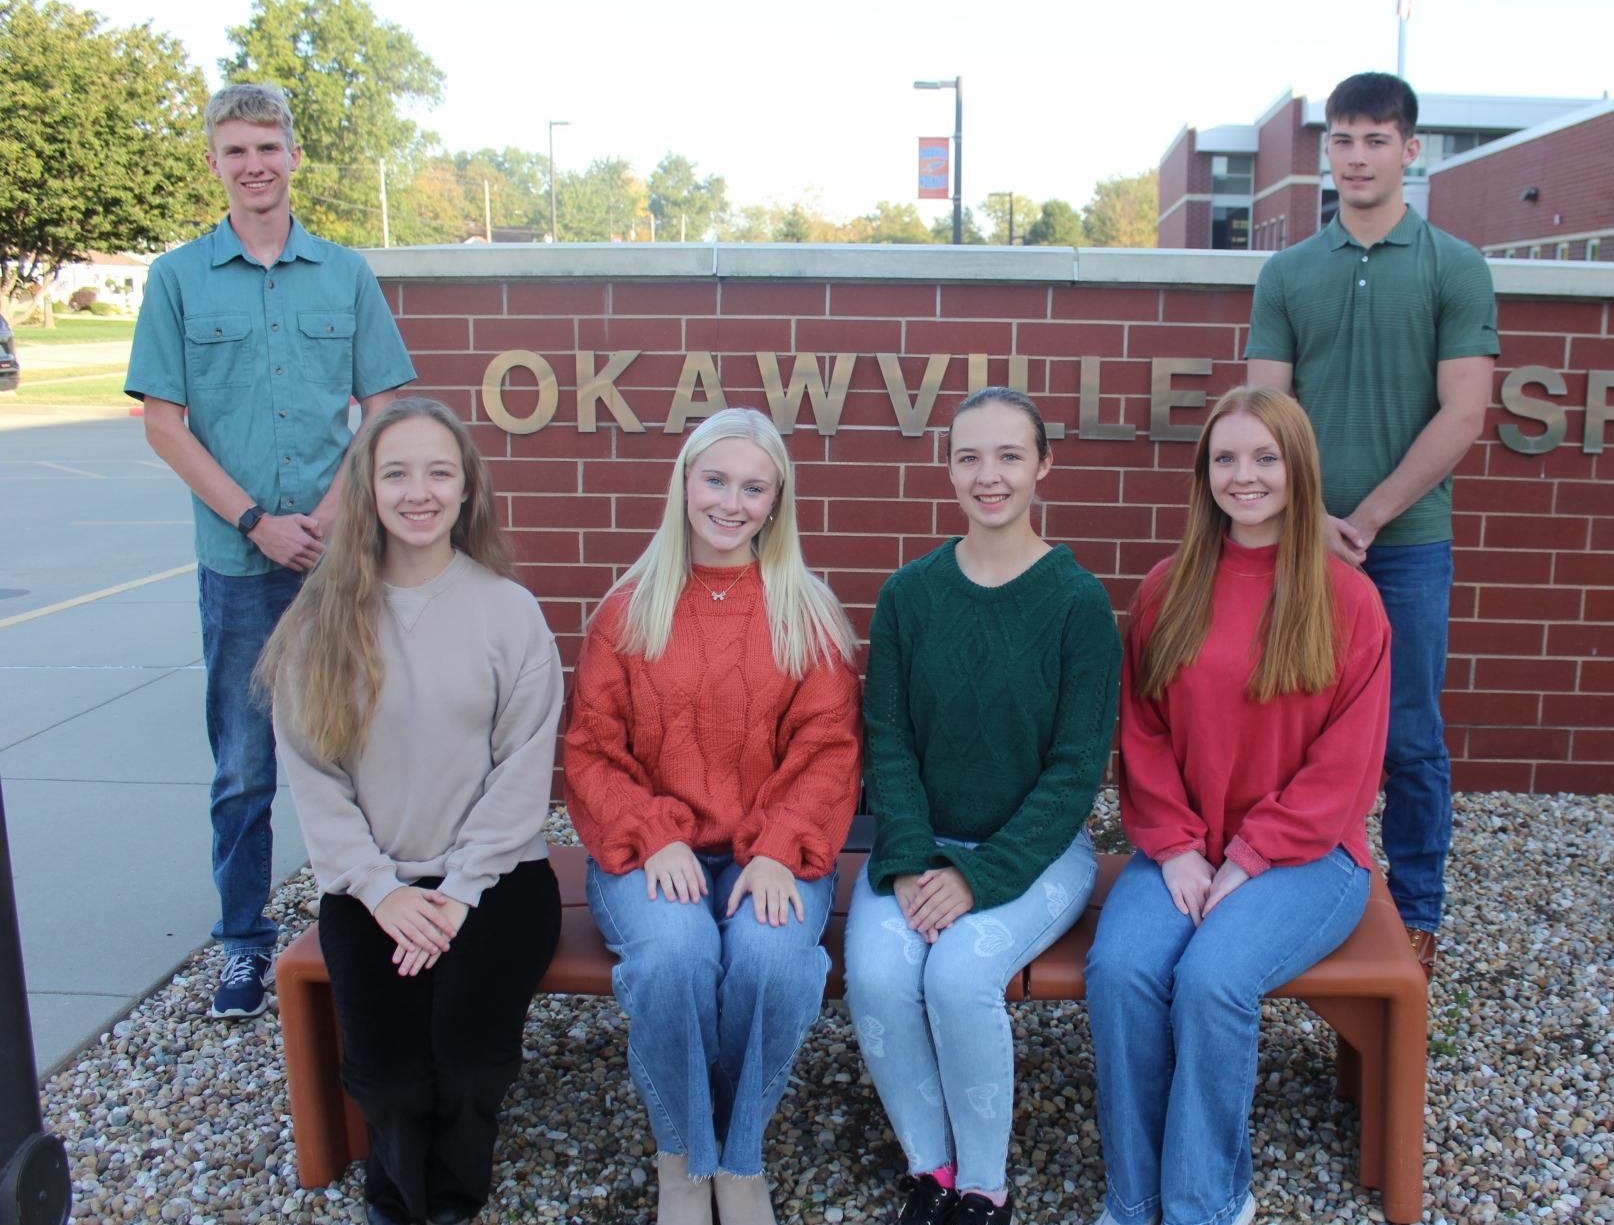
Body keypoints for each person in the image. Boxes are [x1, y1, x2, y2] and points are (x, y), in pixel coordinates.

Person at [125, 83, 415, 1018]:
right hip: (240, 565)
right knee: (246, 763)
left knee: (367, 742)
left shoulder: (345, 274)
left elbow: (383, 407)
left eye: (268, 147)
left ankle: (382, 916)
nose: (254, 164)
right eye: (235, 150)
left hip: (342, 560)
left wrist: (332, 512)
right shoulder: (176, 279)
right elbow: (164, 426)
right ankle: (244, 942)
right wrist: (257, 519)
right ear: (215, 161)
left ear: (294, 156)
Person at [1084, 386, 1390, 1225]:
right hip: (1182, 845)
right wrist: (1178, 845)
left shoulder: (1348, 600)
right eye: (1226, 458)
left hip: (1308, 856)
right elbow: (1142, 734)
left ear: (1298, 470)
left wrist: (1250, 857)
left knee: (1216, 977)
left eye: (1264, 457)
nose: (1244, 475)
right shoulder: (1166, 588)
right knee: (1121, 970)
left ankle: (1203, 1203)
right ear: (1203, 472)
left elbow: (1345, 766)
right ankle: (1134, 1196)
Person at [258, 396, 563, 1225]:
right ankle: (396, 1201)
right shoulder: (320, 620)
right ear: (367, 487)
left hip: (497, 882)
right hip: (373, 887)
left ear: (467, 492)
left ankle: (453, 1203)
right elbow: (314, 778)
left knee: (467, 1064)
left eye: (440, 471)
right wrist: (381, 890)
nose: (419, 491)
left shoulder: (508, 612)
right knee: (391, 1077)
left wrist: (459, 888)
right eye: (397, 472)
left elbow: (523, 769)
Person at [563, 406, 862, 1225]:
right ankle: (683, 1162)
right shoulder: (629, 609)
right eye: (716, 479)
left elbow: (830, 748)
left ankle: (741, 1160)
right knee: (674, 959)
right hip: (655, 849)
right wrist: (653, 832)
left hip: (770, 848)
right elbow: (590, 747)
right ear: (685, 483)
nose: (732, 501)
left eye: (753, 487)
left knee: (770, 961)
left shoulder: (805, 610)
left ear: (776, 502)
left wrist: (776, 849)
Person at [845, 387, 1122, 1225]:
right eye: (969, 456)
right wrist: (916, 855)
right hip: (920, 845)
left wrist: (976, 875)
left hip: (1034, 852)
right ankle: (931, 1171)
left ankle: (984, 1189)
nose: (988, 475)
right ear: (949, 466)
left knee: (962, 974)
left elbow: (1077, 771)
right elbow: (886, 742)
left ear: (1044, 464)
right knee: (880, 972)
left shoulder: (1079, 605)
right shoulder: (909, 595)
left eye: (1008, 455)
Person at [1245, 71, 1498, 970]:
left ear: (1410, 149)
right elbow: (1264, 412)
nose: (1357, 157)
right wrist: (1310, 519)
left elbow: (1464, 411)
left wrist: (1368, 517)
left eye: (1376, 140)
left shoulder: (1454, 267)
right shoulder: (1289, 271)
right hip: (1295, 540)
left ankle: (1419, 911)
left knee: (1411, 735)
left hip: (1408, 546)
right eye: (1342, 140)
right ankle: (1282, 883)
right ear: (1328, 152)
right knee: (1285, 720)